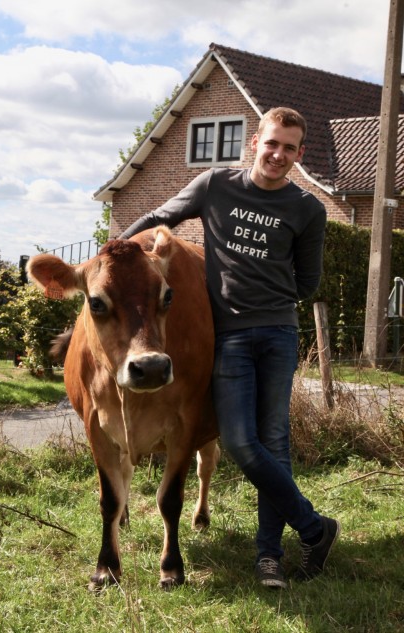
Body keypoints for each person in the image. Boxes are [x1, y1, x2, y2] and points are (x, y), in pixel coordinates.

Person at [119, 106, 339, 589]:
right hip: (231, 337)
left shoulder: (309, 209)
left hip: (279, 334)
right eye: (271, 143)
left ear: (299, 155)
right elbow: (160, 216)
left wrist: (262, 288)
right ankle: (316, 528)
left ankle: (269, 557)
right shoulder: (215, 185)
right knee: (241, 443)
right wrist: (116, 250)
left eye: (289, 148)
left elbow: (308, 282)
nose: (278, 154)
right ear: (254, 143)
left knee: (274, 444)